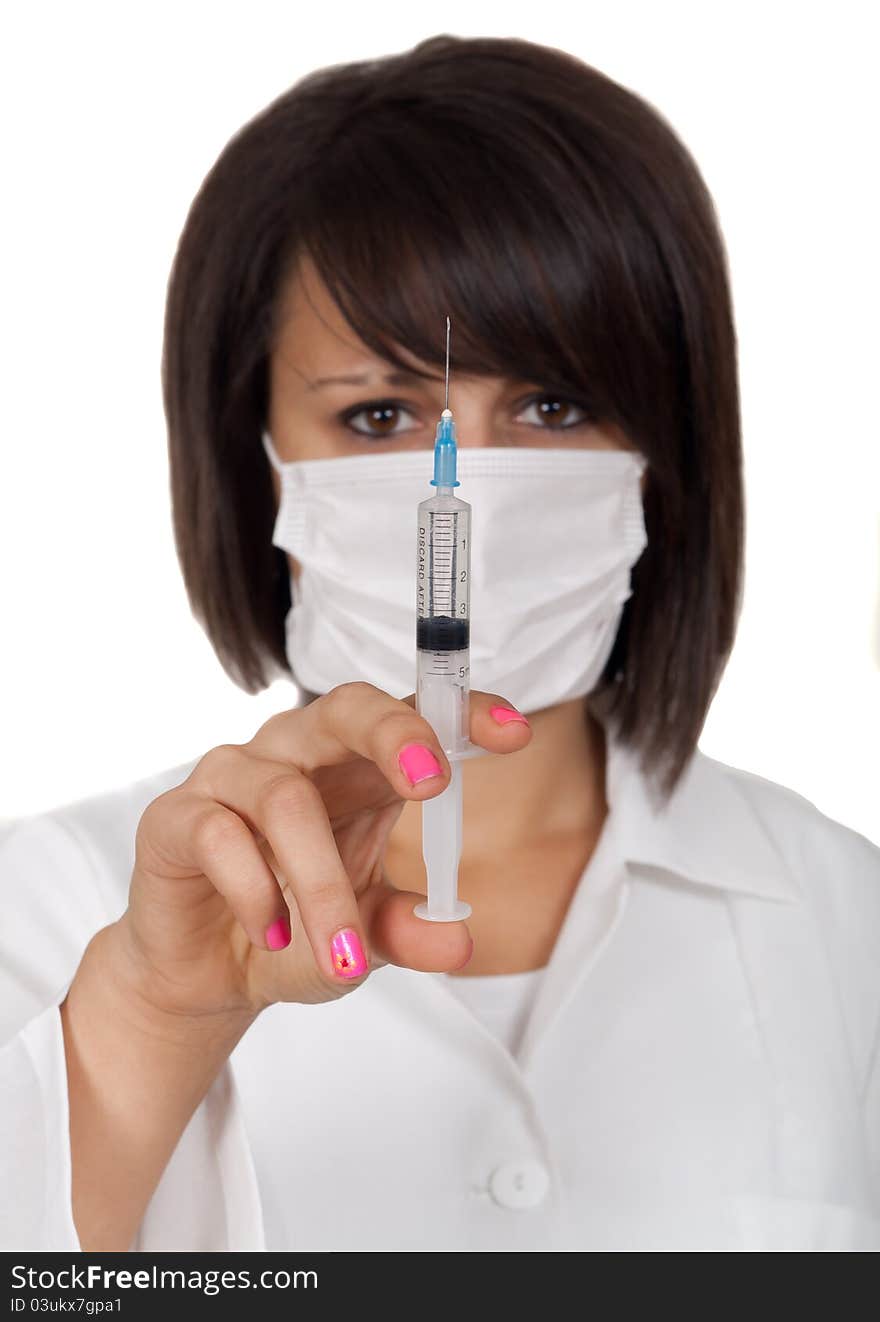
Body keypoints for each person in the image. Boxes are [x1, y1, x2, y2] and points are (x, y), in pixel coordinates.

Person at [2, 33, 878, 1254]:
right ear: (250, 463)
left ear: (665, 448)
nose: (463, 481)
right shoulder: (41, 915)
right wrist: (150, 1017)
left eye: (554, 404)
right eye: (376, 414)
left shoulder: (848, 921)